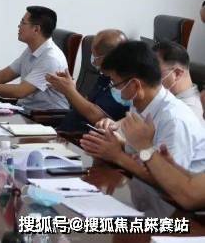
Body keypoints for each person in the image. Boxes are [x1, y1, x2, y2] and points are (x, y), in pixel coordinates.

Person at [79, 41, 205, 185]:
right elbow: (144, 155)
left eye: (114, 83)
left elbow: (171, 182)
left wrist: (117, 156)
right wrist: (119, 144)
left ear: (135, 85)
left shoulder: (174, 120)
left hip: (169, 198)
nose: (112, 88)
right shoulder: (139, 102)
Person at [0, 6, 69, 111]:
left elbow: (20, 91)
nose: (19, 26)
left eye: (23, 23)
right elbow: (6, 74)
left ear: (36, 29)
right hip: (25, 110)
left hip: (45, 118)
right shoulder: (32, 49)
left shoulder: (50, 59)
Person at [46, 29, 128, 132]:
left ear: (109, 58)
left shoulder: (125, 84)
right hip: (63, 130)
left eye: (95, 56)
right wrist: (69, 88)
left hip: (80, 137)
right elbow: (86, 103)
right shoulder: (105, 76)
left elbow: (98, 118)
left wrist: (69, 91)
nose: (92, 59)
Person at [122, 112, 205, 210]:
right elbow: (196, 183)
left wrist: (145, 148)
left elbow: (190, 196)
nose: (202, 114)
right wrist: (170, 167)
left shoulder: (175, 119)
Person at [153, 40, 204, 120]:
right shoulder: (169, 98)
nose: (149, 78)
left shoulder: (188, 113)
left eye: (154, 72)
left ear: (177, 74)